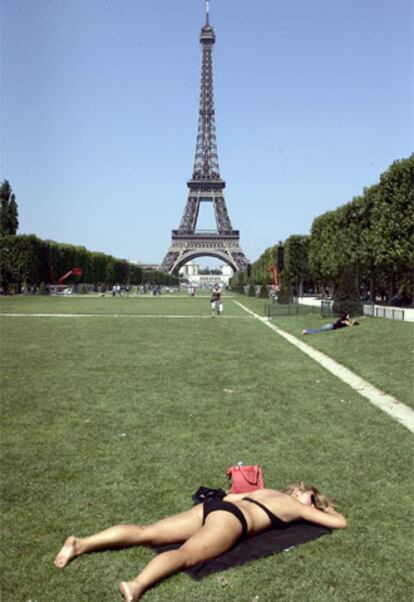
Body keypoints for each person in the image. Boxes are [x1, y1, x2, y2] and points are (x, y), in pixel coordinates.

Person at [53, 482, 347, 602]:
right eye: (309, 495)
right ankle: (137, 584)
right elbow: (339, 522)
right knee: (185, 555)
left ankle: (81, 543)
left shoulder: (265, 490)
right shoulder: (295, 506)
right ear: (306, 497)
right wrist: (325, 508)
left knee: (147, 531)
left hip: (214, 508)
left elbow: (230, 497)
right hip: (232, 522)